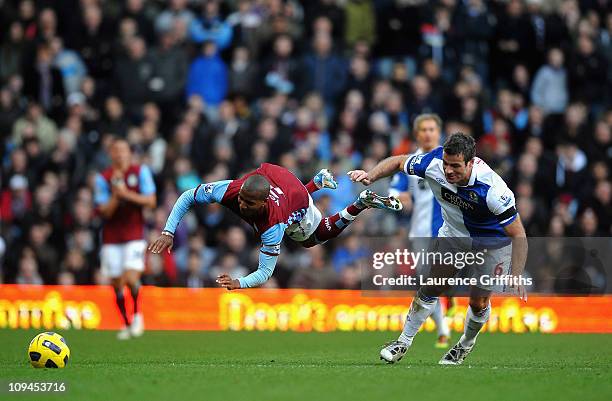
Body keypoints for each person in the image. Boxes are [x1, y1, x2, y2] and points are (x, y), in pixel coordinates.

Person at [349, 133, 527, 365]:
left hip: (491, 245)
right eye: (446, 164)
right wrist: (370, 176)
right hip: (454, 236)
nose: (448, 171)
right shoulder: (432, 163)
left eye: (455, 166)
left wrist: (516, 273)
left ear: (471, 163)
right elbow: (398, 162)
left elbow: (518, 233)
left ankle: (464, 345)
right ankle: (402, 342)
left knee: (478, 303)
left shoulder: (493, 190)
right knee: (431, 286)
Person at [149, 164, 401, 290]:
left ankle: (358, 203)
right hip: (277, 177)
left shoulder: (274, 224)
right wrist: (168, 231)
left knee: (311, 240)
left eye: (249, 203)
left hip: (296, 200)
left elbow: (265, 271)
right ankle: (316, 181)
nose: (241, 204)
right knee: (296, 202)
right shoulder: (231, 189)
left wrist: (240, 282)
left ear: (262, 202)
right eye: (241, 199)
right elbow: (187, 196)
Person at [388, 113, 451, 349]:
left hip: (449, 231)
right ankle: (443, 327)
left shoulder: (449, 159)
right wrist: (399, 197)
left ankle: (444, 322)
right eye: (423, 129)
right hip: (420, 233)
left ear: (439, 132)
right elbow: (395, 188)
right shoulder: (411, 162)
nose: (427, 133)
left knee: (433, 282)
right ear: (417, 134)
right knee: (429, 282)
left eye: (432, 129)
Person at [95, 139, 157, 340]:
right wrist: (116, 195)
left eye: (123, 150)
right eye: (116, 151)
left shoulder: (141, 172)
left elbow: (151, 201)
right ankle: (126, 322)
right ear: (111, 155)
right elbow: (103, 212)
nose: (120, 154)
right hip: (111, 237)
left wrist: (126, 194)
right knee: (117, 284)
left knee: (131, 278)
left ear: (130, 153)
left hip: (134, 235)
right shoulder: (102, 179)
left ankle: (138, 315)